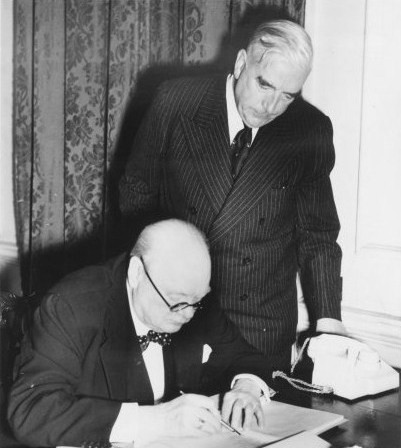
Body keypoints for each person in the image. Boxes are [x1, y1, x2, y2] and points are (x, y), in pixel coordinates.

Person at [119, 19, 347, 371]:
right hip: (180, 313)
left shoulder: (308, 129)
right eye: (265, 85)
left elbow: (317, 235)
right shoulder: (177, 102)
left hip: (261, 328)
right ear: (242, 64)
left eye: (287, 96)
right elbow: (137, 193)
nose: (271, 106)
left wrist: (329, 321)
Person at [8, 219, 274, 448]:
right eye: (177, 302)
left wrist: (247, 388)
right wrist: (157, 420)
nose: (189, 314)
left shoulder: (191, 295)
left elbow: (244, 356)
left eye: (197, 301)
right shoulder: (72, 305)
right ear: (136, 273)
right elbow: (31, 411)